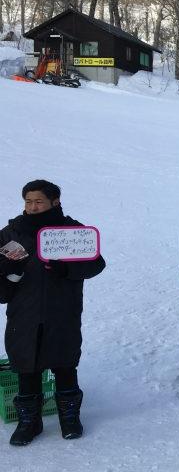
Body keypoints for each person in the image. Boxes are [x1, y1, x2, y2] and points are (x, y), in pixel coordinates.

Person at [0, 179, 105, 446]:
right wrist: (9, 272)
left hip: (62, 310)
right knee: (26, 364)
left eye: (38, 201)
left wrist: (67, 270)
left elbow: (97, 264)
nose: (32, 207)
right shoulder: (12, 231)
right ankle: (29, 421)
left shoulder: (71, 230)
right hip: (24, 311)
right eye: (28, 201)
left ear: (55, 201)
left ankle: (69, 418)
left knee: (64, 362)